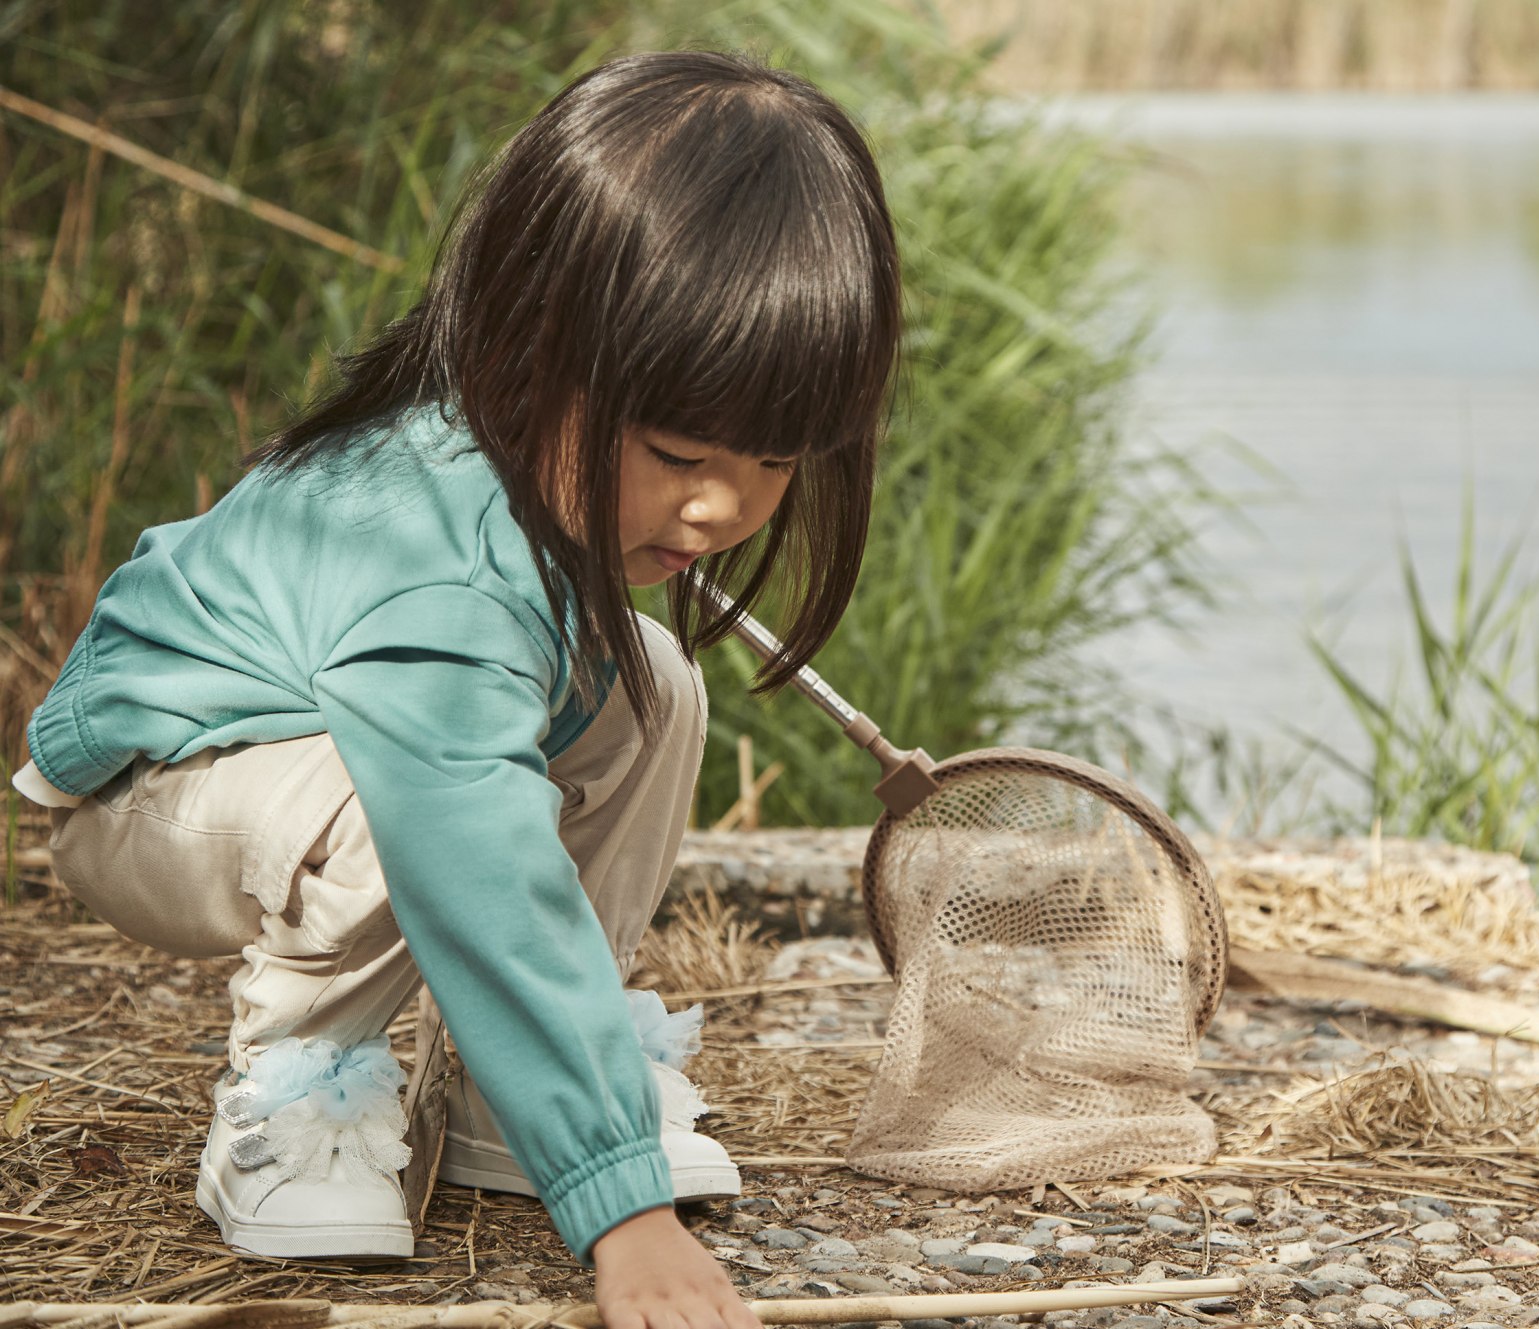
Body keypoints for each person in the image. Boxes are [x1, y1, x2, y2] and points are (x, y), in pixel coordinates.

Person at [11, 50, 900, 1329]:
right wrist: (622, 1208)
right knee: (404, 800)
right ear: (536, 351)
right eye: (681, 453)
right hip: (158, 794)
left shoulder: (530, 484)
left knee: (651, 679)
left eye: (774, 461)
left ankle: (506, 1095)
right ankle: (304, 1080)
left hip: (309, 761)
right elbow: (481, 866)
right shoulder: (433, 565)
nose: (723, 507)